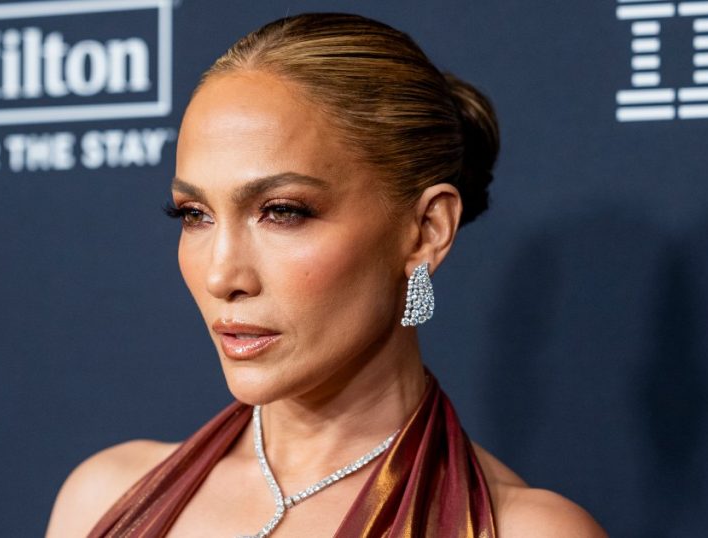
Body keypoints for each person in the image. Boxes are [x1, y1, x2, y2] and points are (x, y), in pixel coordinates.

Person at [45, 12, 606, 537]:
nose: (221, 276)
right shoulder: (104, 496)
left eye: (282, 211)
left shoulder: (522, 529)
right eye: (195, 215)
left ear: (426, 230)